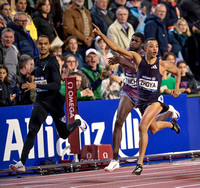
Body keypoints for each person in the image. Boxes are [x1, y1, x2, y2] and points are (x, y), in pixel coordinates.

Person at [93, 24, 181, 175]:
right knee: (152, 129)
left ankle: (139, 163)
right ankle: (170, 121)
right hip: (140, 99)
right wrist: (101, 35)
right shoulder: (137, 58)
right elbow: (116, 47)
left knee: (142, 127)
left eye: (157, 46)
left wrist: (176, 89)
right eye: (151, 46)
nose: (154, 49)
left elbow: (178, 71)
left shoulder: (161, 64)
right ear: (145, 49)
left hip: (155, 100)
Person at [9, 35, 88, 172]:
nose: (43, 46)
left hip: (54, 102)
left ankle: (78, 122)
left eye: (45, 44)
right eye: (40, 44)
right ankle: (21, 163)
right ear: (37, 45)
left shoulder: (52, 61)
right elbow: (38, 78)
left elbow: (57, 85)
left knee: (64, 134)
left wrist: (36, 85)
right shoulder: (36, 61)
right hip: (41, 101)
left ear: (48, 46)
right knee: (32, 129)